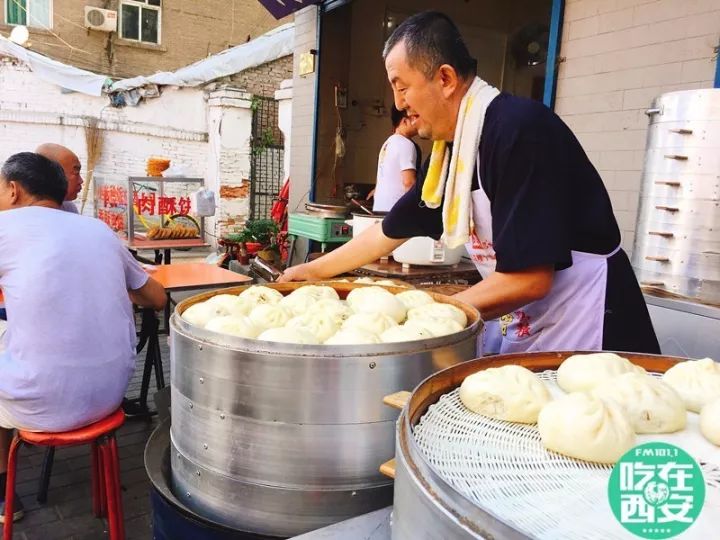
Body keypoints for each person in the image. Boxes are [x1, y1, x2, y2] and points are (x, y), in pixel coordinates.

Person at [281, 11, 659, 356]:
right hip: (530, 321)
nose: (399, 104)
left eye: (402, 86)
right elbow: (389, 230)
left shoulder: (517, 131)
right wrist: (311, 272)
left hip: (591, 323)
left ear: (444, 78)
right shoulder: (453, 152)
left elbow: (529, 280)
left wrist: (429, 317)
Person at [0, 152, 166, 522]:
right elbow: (156, 298)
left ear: (13, 190)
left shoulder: (4, 227)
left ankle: (2, 493)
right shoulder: (99, 230)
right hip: (109, 395)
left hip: (44, 403)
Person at [367, 105, 421, 212]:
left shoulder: (388, 143)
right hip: (396, 212)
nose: (417, 122)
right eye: (414, 118)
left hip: (380, 209)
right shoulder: (406, 144)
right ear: (405, 121)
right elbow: (409, 183)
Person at [36, 143, 83, 214]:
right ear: (52, 173)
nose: (81, 181)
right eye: (76, 173)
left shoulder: (69, 208)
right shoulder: (22, 211)